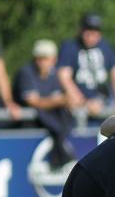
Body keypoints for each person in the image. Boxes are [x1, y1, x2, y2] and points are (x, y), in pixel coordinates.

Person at [13, 40, 76, 169]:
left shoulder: (54, 74)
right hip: (25, 125)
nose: (41, 62)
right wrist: (59, 101)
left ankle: (60, 153)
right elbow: (34, 102)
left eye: (45, 58)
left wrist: (63, 101)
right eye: (39, 58)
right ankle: (61, 154)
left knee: (64, 114)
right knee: (45, 113)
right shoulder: (26, 72)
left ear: (54, 59)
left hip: (49, 122)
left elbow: (67, 99)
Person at [58, 13, 115, 117]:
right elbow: (64, 77)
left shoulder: (105, 46)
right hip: (80, 108)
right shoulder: (70, 46)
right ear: (81, 30)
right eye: (87, 32)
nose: (91, 37)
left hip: (105, 103)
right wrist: (84, 102)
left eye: (95, 33)